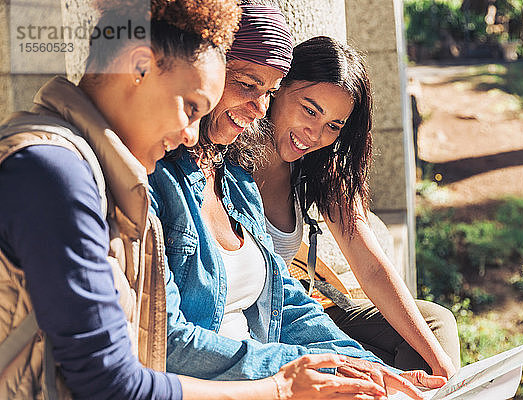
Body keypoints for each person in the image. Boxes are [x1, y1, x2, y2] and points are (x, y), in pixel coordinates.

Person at [0, 1, 387, 399]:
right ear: (138, 68)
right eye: (190, 107)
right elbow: (112, 381)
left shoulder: (106, 174)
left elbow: (282, 298)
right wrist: (281, 387)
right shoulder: (54, 170)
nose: (190, 135)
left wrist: (365, 371)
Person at [149, 2, 447, 399]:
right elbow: (170, 341)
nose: (258, 108)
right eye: (247, 84)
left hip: (278, 351)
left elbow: (291, 298)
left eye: (267, 92)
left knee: (430, 333)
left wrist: (366, 371)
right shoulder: (162, 180)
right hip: (241, 380)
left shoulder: (237, 181)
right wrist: (298, 374)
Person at [247, 36, 461, 378]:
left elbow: (372, 267)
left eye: (334, 126)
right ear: (278, 86)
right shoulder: (233, 153)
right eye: (310, 110)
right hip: (262, 326)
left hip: (302, 305)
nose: (315, 135)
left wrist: (441, 364)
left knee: (435, 325)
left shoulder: (317, 166)